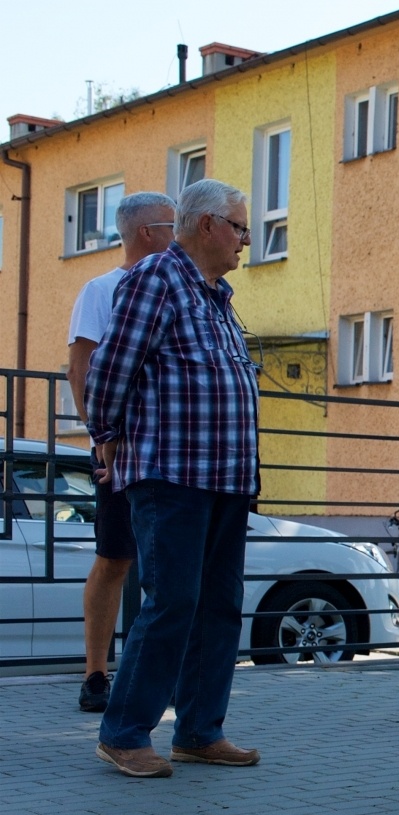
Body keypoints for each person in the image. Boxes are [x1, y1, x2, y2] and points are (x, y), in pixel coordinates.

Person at [84, 178, 261, 778]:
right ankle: (125, 731)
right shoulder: (157, 277)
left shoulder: (218, 294)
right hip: (171, 472)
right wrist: (104, 435)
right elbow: (111, 366)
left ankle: (199, 731)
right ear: (207, 225)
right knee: (172, 601)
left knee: (219, 605)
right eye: (239, 226)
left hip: (225, 477)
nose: (246, 238)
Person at [65, 191, 177, 713]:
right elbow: (81, 369)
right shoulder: (102, 289)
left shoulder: (189, 288)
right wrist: (100, 438)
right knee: (114, 559)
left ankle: (160, 677)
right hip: (120, 449)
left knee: (170, 567)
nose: (183, 235)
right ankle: (95, 675)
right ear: (148, 233)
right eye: (174, 226)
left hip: (172, 454)